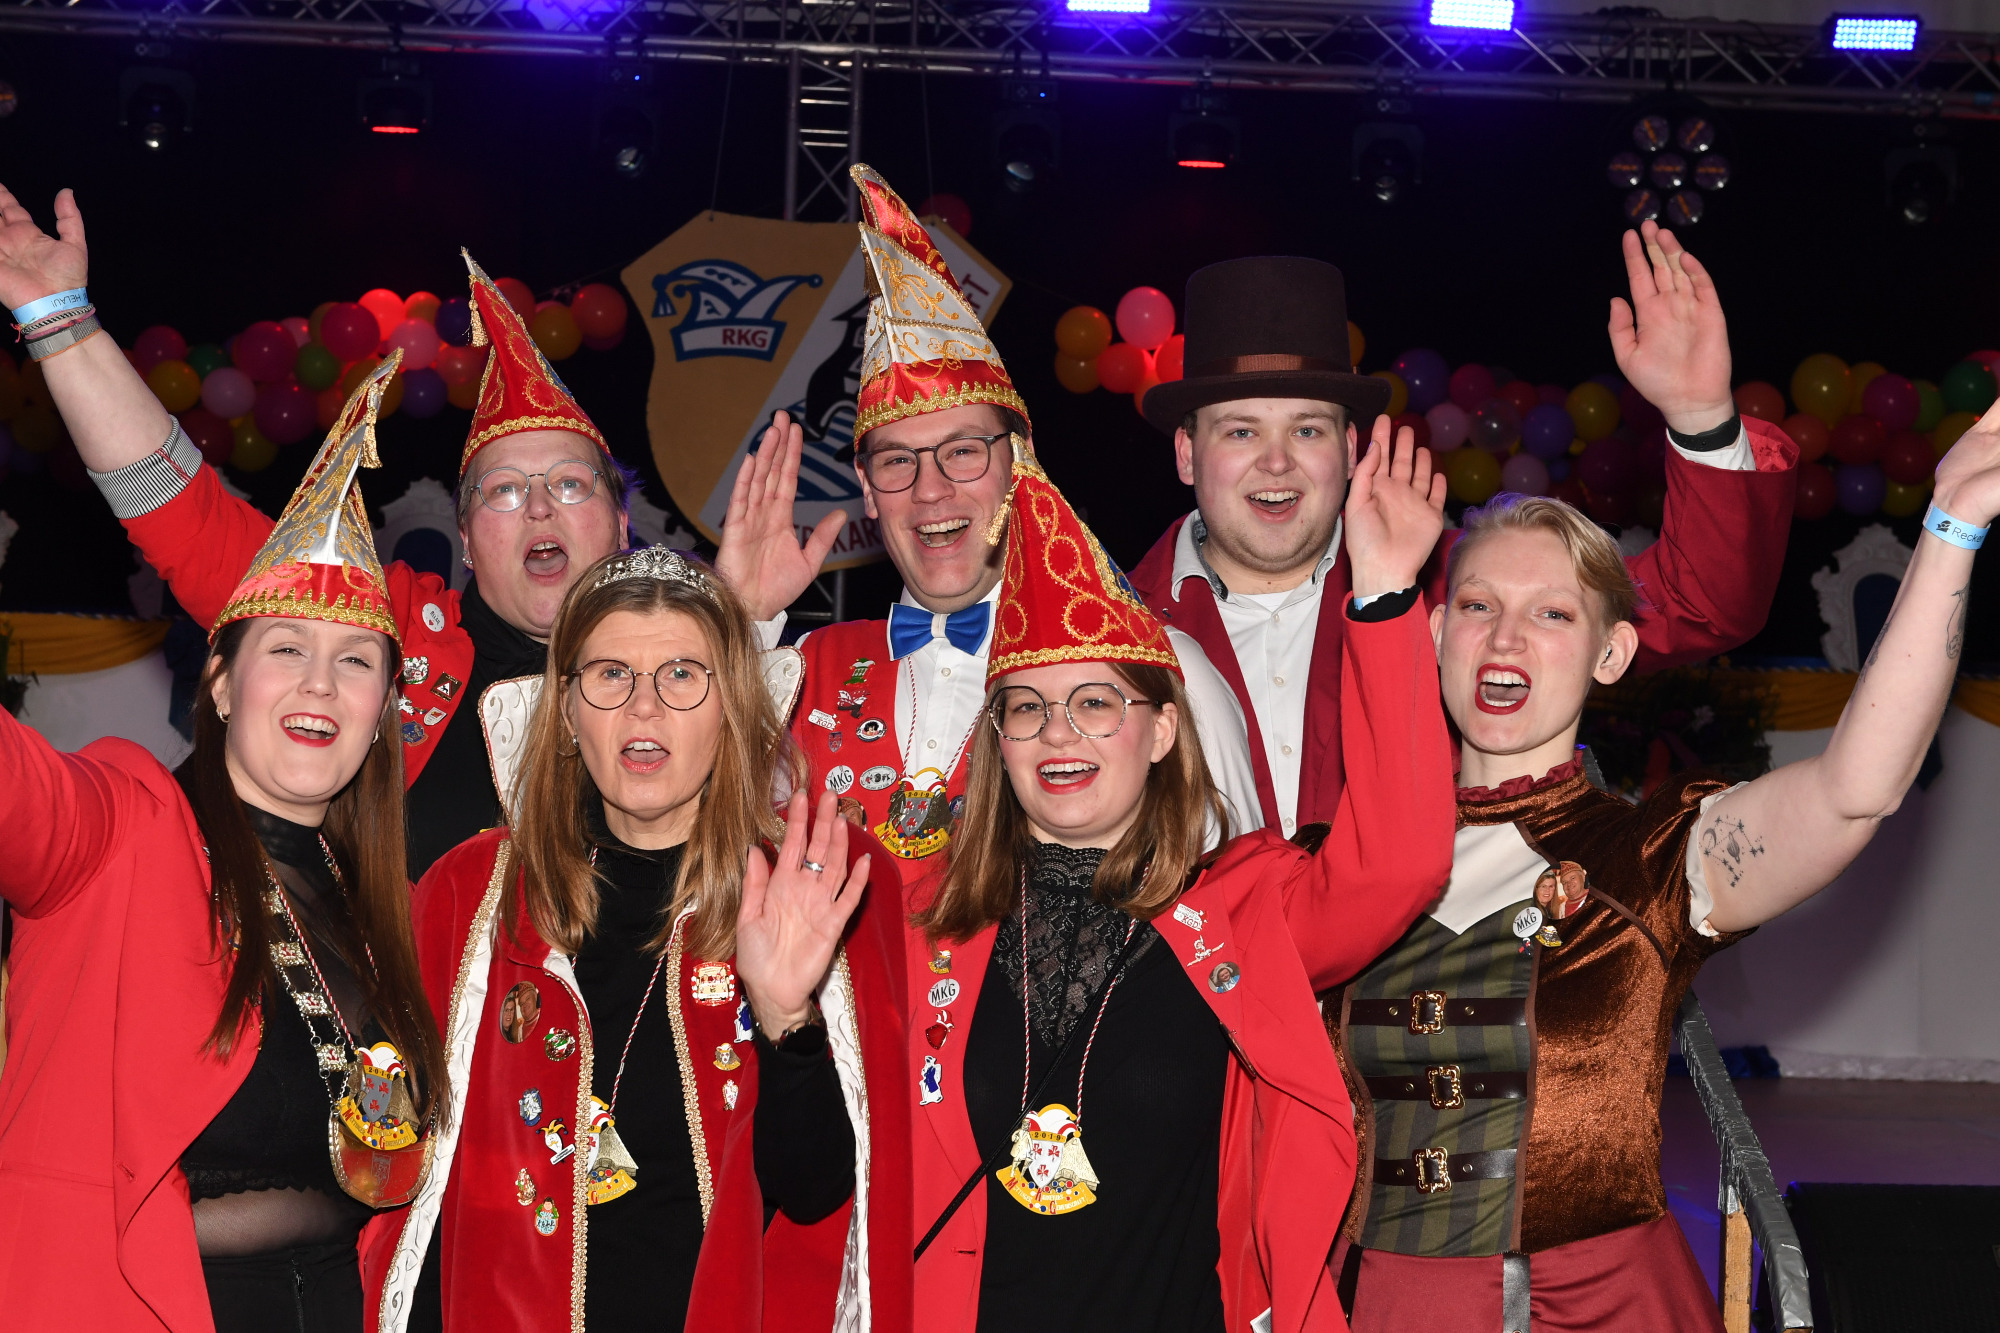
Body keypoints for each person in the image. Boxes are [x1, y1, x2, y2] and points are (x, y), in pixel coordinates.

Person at [1326, 404, 2000, 1331]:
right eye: (1479, 606)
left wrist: (1951, 524)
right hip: (1383, 1307)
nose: (1506, 639)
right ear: (1436, 631)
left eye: (1552, 612)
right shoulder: (1337, 860)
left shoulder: (1647, 857)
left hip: (1602, 1309)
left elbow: (1855, 789)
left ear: (1611, 653)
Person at [902, 420, 1455, 1333]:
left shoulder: (1240, 909)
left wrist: (1388, 596)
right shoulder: (924, 918)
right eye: (1028, 708)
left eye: (1095, 701)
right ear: (998, 742)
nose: (1058, 732)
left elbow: (1400, 862)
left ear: (1161, 729)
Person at [0, 182, 635, 874]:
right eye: (504, 490)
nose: (539, 506)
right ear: (466, 540)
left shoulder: (693, 663)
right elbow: (189, 520)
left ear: (622, 523)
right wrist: (59, 321)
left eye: (570, 483)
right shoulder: (377, 630)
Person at [362, 545, 911, 1333]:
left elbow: (817, 1193)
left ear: (732, 705)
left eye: (682, 674)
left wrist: (786, 1017)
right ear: (567, 709)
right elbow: (414, 1195)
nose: (643, 707)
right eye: (611, 674)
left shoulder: (809, 879)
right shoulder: (469, 891)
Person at [0, 362, 445, 1332]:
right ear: (220, 684)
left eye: (355, 661)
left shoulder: (377, 906)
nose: (320, 684)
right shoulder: (126, 826)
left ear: (382, 712)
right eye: (285, 648)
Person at [1128, 226, 1799, 838]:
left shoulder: (1465, 589)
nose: (1277, 462)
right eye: (1240, 431)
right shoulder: (1112, 627)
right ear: (1187, 453)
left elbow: (1699, 603)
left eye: (1307, 429)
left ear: (1351, 447)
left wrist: (1701, 417)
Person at [716, 164, 1264, 888]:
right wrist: (742, 619)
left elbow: (1242, 912)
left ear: (1021, 462)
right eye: (897, 461)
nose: (930, 489)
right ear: (867, 490)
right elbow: (689, 857)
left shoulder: (1158, 669)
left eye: (964, 451)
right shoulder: (799, 671)